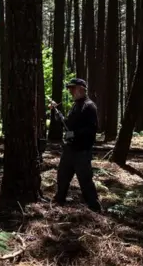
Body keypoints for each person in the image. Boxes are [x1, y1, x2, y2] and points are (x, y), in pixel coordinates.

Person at [49, 78, 102, 212]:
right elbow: (67, 123)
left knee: (85, 182)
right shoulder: (75, 106)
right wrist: (55, 111)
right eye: (70, 88)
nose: (71, 91)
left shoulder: (89, 106)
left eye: (73, 88)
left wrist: (74, 134)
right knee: (62, 177)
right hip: (69, 150)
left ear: (82, 89)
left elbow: (92, 129)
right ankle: (58, 202)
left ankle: (95, 209)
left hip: (82, 151)